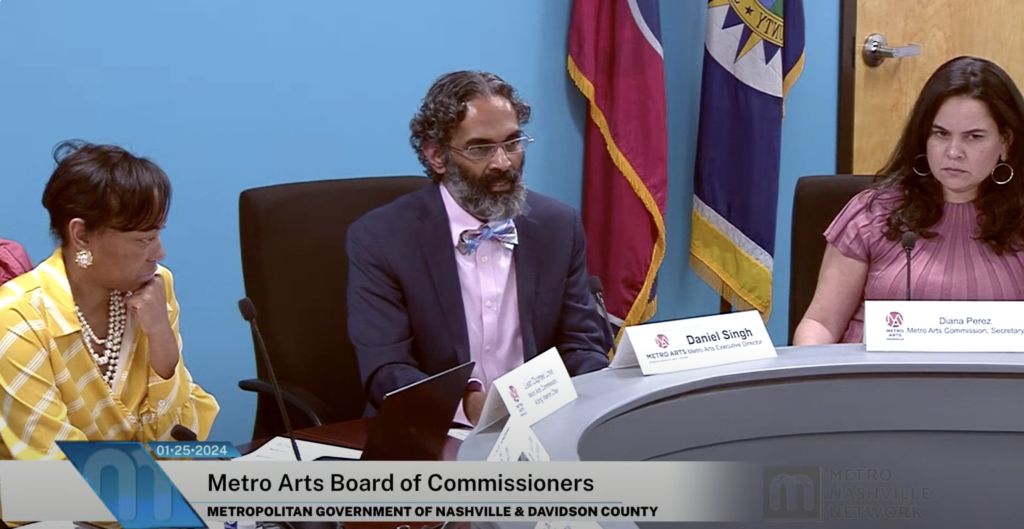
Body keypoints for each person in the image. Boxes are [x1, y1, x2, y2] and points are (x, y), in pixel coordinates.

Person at [347, 70, 610, 426]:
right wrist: (469, 407)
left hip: (542, 428)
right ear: (436, 156)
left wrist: (606, 394)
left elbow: (581, 345)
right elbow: (386, 370)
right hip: (432, 431)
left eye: (512, 143)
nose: (503, 162)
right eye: (481, 148)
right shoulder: (382, 238)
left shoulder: (558, 226)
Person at [0, 140, 219, 521]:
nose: (159, 252)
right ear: (81, 236)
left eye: (158, 234)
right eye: (143, 239)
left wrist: (163, 345)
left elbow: (185, 441)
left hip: (148, 503)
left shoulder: (155, 287)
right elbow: (55, 481)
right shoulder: (18, 320)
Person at [794, 56, 1024, 344]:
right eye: (941, 134)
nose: (953, 152)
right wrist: (816, 387)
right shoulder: (874, 213)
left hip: (996, 389)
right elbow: (821, 323)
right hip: (876, 386)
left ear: (1006, 142)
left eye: (973, 137)